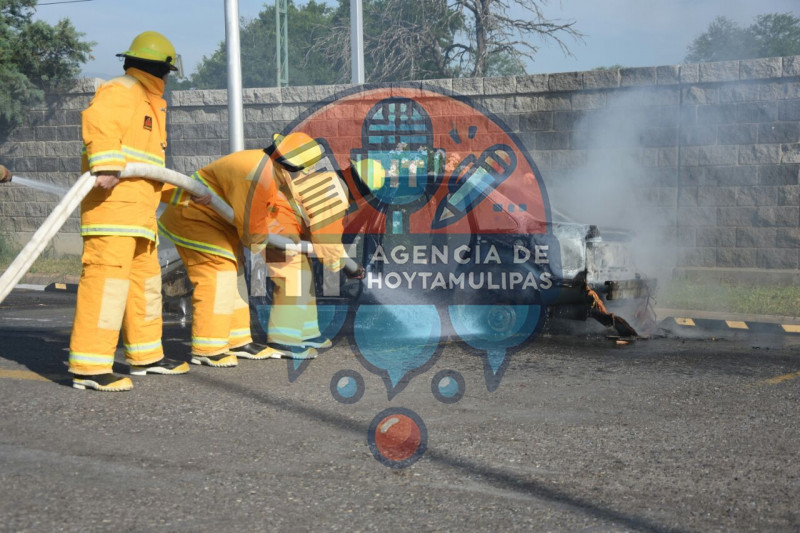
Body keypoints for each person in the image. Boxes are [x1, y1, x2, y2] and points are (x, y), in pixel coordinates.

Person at [159, 132, 363, 362]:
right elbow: (257, 229)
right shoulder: (260, 175)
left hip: (212, 222)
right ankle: (216, 348)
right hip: (196, 220)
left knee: (236, 278)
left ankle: (239, 341)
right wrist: (348, 267)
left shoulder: (265, 166)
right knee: (227, 279)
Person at [69, 31, 189, 392]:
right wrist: (105, 163)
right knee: (107, 289)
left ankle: (146, 356)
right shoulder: (121, 91)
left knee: (145, 289)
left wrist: (185, 197)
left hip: (139, 218)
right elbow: (98, 122)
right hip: (112, 213)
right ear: (160, 68)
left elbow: (149, 166)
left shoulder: (151, 104)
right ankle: (90, 367)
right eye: (168, 71)